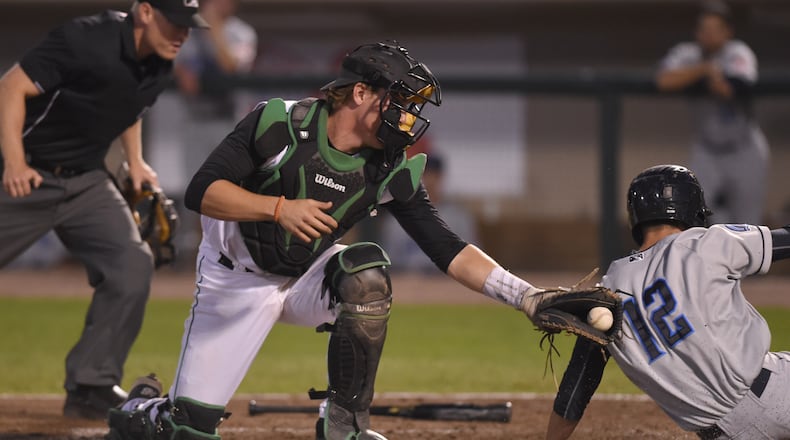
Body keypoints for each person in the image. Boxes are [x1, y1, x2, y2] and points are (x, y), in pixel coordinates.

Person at [106, 41, 559, 440]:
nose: (407, 117)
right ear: (360, 93)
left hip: (304, 275)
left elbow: (446, 247)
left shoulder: (391, 164)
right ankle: (144, 411)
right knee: (188, 430)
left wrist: (525, 296)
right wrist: (280, 208)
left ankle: (345, 424)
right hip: (234, 282)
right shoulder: (281, 124)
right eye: (399, 101)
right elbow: (202, 191)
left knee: (366, 275)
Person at [0, 0, 207, 420]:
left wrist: (134, 161)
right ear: (145, 12)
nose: (181, 33)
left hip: (86, 180)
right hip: (28, 175)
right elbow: (11, 87)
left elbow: (128, 108)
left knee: (131, 264)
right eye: (174, 21)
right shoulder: (84, 39)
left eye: (188, 25)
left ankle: (91, 385)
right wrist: (15, 162)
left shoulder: (159, 62)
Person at [546, 164, 790, 439]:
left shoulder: (607, 295)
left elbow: (575, 389)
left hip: (724, 433)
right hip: (777, 391)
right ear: (691, 209)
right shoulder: (703, 243)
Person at [655, 0, 769, 225]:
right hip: (706, 149)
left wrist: (711, 78)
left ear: (728, 31)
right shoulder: (688, 54)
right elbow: (663, 80)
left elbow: (734, 88)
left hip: (744, 148)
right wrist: (703, 70)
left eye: (715, 29)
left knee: (749, 221)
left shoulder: (738, 52)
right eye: (704, 29)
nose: (708, 35)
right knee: (698, 213)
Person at [171, 0, 258, 252]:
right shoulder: (187, 31)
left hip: (231, 123)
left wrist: (214, 28)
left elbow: (230, 67)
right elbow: (183, 74)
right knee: (194, 188)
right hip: (195, 121)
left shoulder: (241, 32)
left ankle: (231, 252)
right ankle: (194, 255)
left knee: (231, 187)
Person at [380, 150, 478, 274]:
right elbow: (389, 262)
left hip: (446, 281)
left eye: (434, 175)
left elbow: (470, 259)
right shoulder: (395, 219)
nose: (429, 179)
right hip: (408, 280)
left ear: (441, 176)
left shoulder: (458, 217)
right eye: (425, 174)